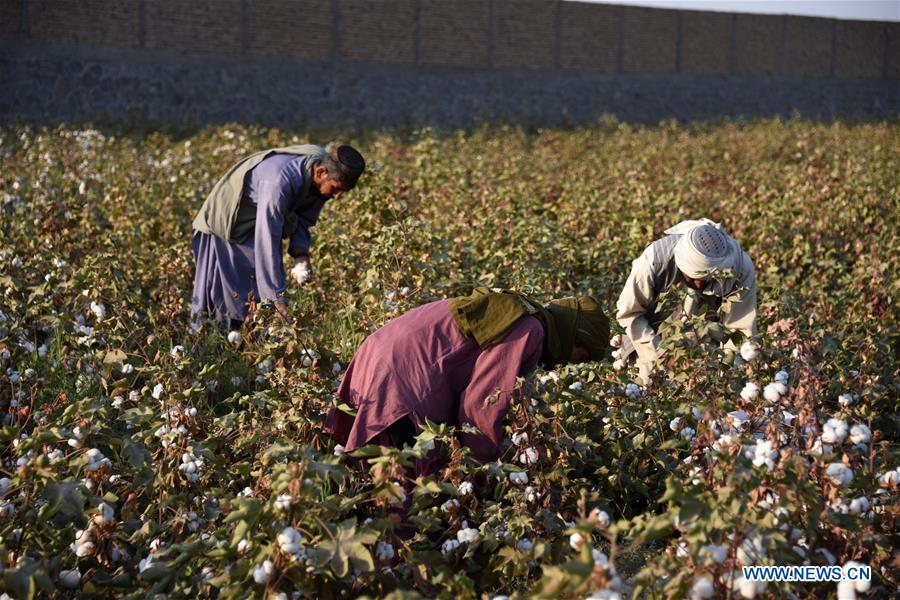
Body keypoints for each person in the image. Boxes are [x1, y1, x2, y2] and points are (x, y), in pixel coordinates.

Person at [325, 288, 610, 466]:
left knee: (375, 475)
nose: (569, 364)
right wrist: (481, 466)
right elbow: (482, 405)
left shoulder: (520, 309)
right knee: (403, 498)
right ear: (575, 340)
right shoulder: (530, 330)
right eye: (581, 357)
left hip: (378, 357)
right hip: (402, 382)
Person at [190, 143, 365, 326]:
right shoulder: (279, 181)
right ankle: (213, 348)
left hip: (254, 223)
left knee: (255, 299)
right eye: (335, 189)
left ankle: (246, 343)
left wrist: (301, 256)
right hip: (227, 224)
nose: (337, 197)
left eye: (342, 192)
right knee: (230, 300)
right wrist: (277, 299)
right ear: (321, 172)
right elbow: (267, 244)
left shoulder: (320, 169)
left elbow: (304, 217)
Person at [615, 218, 757, 383]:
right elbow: (629, 314)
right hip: (652, 341)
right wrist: (660, 355)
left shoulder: (739, 268)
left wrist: (726, 378)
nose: (698, 284)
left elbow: (739, 332)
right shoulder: (655, 260)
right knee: (650, 392)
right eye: (693, 277)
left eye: (706, 279)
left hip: (705, 351)